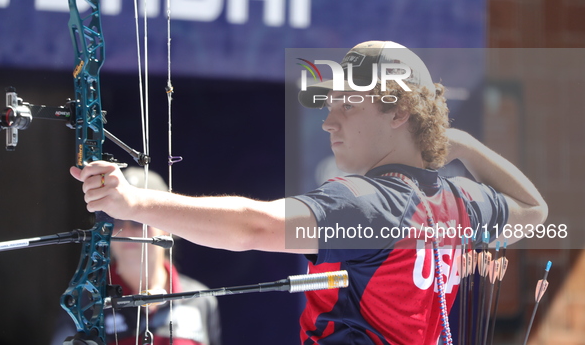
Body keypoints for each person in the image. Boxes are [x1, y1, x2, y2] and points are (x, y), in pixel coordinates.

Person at [70, 41, 547, 345]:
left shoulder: (367, 202)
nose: (328, 120)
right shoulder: (461, 201)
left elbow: (252, 225)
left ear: (398, 114)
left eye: (347, 105)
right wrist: (458, 144)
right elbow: (534, 208)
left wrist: (133, 204)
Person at [52, 168, 221, 345]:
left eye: (138, 221)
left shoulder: (200, 299)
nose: (127, 230)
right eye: (115, 221)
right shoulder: (85, 302)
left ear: (167, 226)